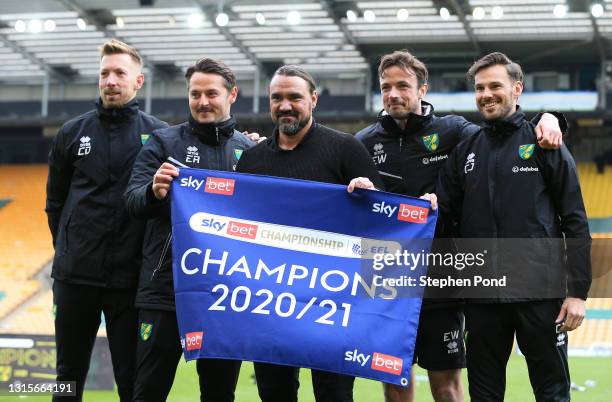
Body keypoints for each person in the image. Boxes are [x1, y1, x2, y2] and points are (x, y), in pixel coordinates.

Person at [355, 50, 564, 402]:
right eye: (386, 86)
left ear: (422, 88)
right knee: (394, 383)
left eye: (403, 86)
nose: (393, 94)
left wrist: (551, 117)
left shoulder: (453, 131)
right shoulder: (363, 142)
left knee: (448, 386)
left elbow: (505, 132)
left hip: (442, 279)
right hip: (386, 277)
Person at [437, 52, 591, 401]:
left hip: (540, 294)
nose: (486, 94)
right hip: (482, 295)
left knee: (552, 391)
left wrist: (577, 292)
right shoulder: (465, 150)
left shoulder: (544, 142)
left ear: (516, 89)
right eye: (479, 88)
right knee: (484, 394)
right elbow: (442, 216)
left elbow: (575, 221)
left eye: (495, 86)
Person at [236, 65, 385, 402]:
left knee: (334, 395)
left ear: (313, 99)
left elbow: (382, 215)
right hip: (271, 302)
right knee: (274, 394)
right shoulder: (252, 159)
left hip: (331, 304)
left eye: (294, 97)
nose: (285, 105)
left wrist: (369, 192)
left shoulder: (344, 148)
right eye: (277, 98)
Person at [45, 39, 168, 401]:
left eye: (119, 73)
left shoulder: (160, 136)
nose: (110, 80)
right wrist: (69, 248)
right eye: (104, 73)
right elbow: (55, 202)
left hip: (130, 279)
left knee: (130, 380)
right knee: (66, 376)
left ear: (138, 81)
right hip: (75, 275)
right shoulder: (72, 132)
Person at [125, 57, 253, 402]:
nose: (203, 101)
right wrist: (153, 191)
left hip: (225, 295)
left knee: (219, 394)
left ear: (232, 94)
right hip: (165, 290)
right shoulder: (163, 144)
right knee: (148, 391)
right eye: (195, 94)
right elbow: (132, 202)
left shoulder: (252, 152)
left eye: (211, 93)